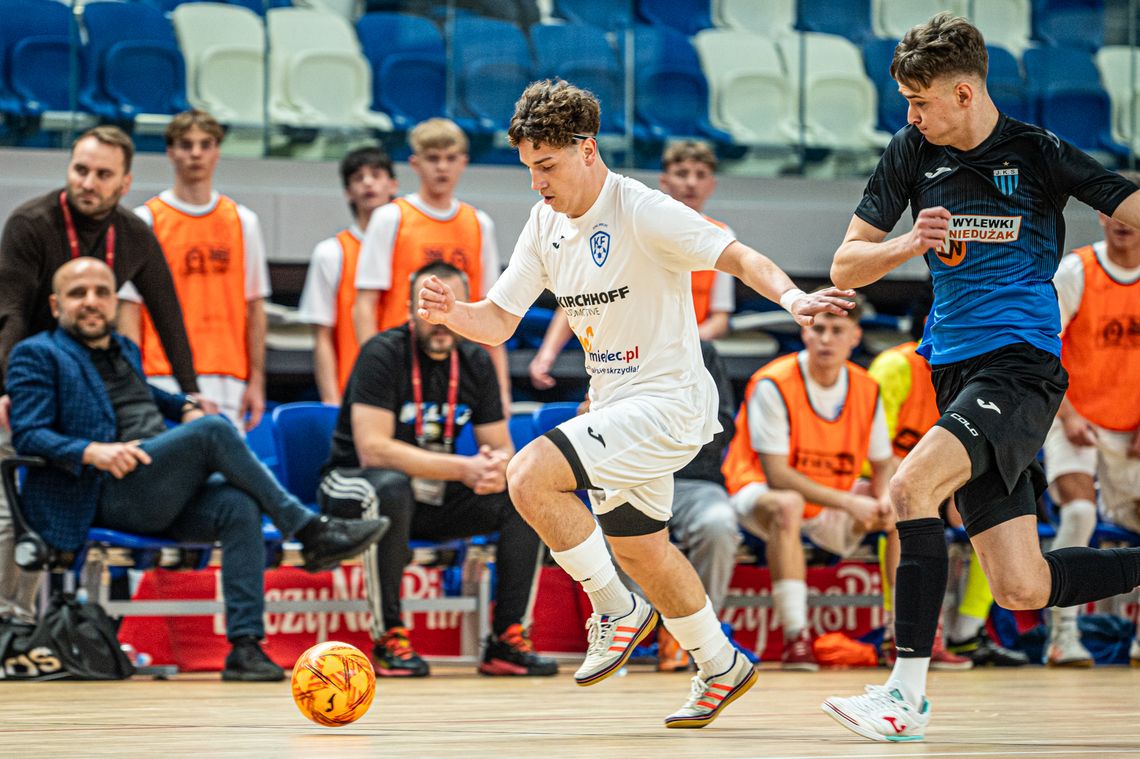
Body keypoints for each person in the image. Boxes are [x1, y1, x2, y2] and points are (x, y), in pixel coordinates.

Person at [417, 79, 853, 728]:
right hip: (616, 406)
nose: (536, 182)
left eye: (547, 166)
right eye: (528, 168)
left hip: (671, 402)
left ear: (587, 150)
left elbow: (737, 257)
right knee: (642, 548)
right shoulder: (545, 223)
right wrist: (457, 314)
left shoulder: (643, 209)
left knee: (528, 473)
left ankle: (617, 609)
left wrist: (794, 300)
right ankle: (720, 663)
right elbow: (502, 320)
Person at [820, 14, 1140, 743]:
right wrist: (908, 242)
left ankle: (904, 695)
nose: (911, 115)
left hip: (1020, 367)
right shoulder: (910, 152)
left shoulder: (1037, 152)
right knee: (1021, 584)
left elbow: (1130, 204)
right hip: (955, 369)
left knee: (909, 488)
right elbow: (844, 265)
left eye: (920, 101)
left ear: (964, 93)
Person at [6, 257, 390, 681]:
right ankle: (309, 530)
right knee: (212, 431)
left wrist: (184, 405)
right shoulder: (37, 354)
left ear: (115, 301)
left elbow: (144, 394)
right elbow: (29, 434)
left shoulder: (123, 350)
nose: (91, 301)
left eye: (101, 292)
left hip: (156, 486)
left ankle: (245, 648)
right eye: (78, 294)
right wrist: (93, 451)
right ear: (57, 305)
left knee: (236, 504)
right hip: (103, 490)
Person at [0, 125, 200, 625]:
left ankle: (83, 627)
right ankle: (11, 622)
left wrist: (191, 389)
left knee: (91, 495)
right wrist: (6, 388)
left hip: (89, 388)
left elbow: (167, 312)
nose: (88, 182)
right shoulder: (30, 223)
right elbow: (10, 314)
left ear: (125, 182)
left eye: (102, 174)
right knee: (12, 509)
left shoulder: (133, 234)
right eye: (80, 169)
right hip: (27, 377)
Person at [321, 262, 558, 679]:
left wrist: (495, 469)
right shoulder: (383, 352)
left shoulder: (475, 362)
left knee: (521, 492)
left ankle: (507, 639)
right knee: (390, 487)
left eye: (450, 304)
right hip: (353, 485)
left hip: (430, 495)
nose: (440, 319)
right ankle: (389, 635)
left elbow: (500, 446)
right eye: (429, 306)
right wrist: (464, 468)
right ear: (412, 308)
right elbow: (373, 449)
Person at [723, 298, 899, 671]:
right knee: (787, 503)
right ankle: (796, 637)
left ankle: (900, 634)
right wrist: (851, 504)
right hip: (757, 494)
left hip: (828, 499)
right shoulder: (773, 382)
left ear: (855, 337)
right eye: (818, 328)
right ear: (805, 331)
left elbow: (884, 463)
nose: (826, 339)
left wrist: (882, 496)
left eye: (837, 331)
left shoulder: (866, 388)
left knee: (900, 507)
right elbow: (777, 474)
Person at [528, 140, 735, 390]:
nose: (691, 183)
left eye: (700, 175)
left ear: (711, 184)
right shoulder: (630, 226)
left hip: (688, 356)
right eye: (682, 174)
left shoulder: (721, 235)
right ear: (664, 181)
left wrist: (675, 344)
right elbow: (583, 299)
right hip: (625, 355)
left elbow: (720, 320)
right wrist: (546, 355)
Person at [870, 333, 1024, 669]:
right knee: (908, 510)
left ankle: (966, 634)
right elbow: (876, 452)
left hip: (935, 477)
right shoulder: (897, 367)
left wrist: (957, 486)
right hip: (879, 476)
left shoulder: (976, 368)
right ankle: (897, 632)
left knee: (994, 516)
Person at [119, 109, 271, 431]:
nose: (196, 153)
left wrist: (256, 379)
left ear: (217, 151)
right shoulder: (146, 220)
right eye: (186, 145)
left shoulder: (243, 221)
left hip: (228, 373)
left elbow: (254, 307)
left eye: (206, 144)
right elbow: (130, 310)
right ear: (170, 152)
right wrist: (135, 381)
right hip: (161, 373)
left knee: (224, 478)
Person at [1043, 171, 1140, 667]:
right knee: (1079, 512)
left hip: (1133, 427)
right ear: (1101, 215)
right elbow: (1042, 348)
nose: (1120, 221)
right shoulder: (1075, 270)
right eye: (1110, 210)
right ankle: (1063, 634)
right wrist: (1068, 411)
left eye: (1128, 210)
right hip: (1073, 417)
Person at [352, 118, 510, 413]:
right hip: (401, 358)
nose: (442, 167)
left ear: (464, 162)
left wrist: (501, 388)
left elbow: (490, 309)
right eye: (433, 158)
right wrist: (374, 365)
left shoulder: (479, 224)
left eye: (450, 159)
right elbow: (364, 305)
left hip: (457, 360)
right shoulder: (390, 218)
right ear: (415, 163)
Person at [297, 146, 399, 404]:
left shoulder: (410, 248)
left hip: (409, 391)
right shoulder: (331, 253)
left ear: (393, 185)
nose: (368, 183)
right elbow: (322, 338)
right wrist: (332, 402)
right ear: (347, 192)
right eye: (358, 177)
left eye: (376, 174)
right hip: (354, 391)